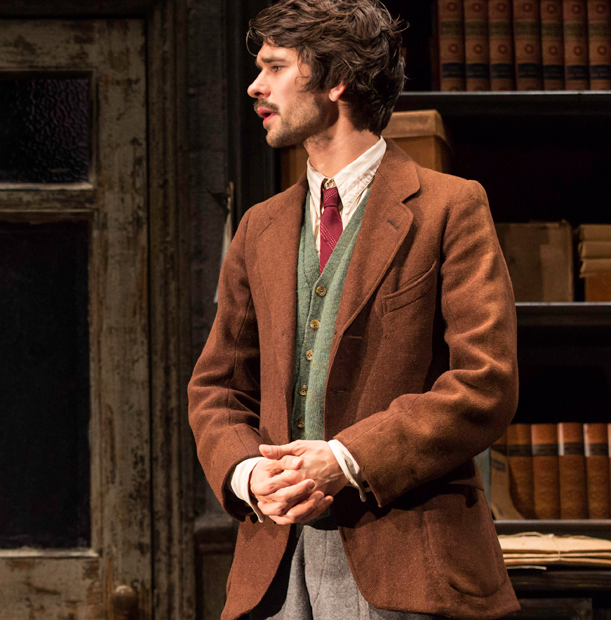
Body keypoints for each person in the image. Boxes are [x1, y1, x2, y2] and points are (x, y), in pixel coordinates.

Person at [186, 1, 519, 618]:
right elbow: (217, 386)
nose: (256, 86)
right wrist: (246, 475)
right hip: (274, 569)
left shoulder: (450, 208)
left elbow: (485, 381)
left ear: (335, 79)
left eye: (276, 67)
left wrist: (346, 459)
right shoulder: (261, 227)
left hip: (408, 559)